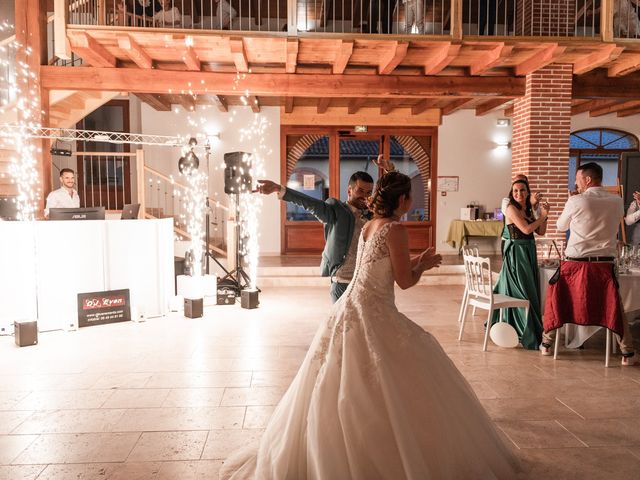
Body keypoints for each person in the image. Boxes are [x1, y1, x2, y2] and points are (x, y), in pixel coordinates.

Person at [220, 172, 519, 480]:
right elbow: (404, 281)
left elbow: (383, 264)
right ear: (402, 200)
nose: (412, 201)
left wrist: (416, 260)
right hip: (373, 310)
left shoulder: (370, 225)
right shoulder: (395, 229)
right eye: (410, 196)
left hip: (350, 305)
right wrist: (424, 266)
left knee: (341, 378)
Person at [541, 162, 636, 365]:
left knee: (557, 298)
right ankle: (627, 352)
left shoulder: (576, 200)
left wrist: (572, 201)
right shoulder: (617, 201)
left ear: (587, 179)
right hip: (604, 265)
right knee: (613, 304)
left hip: (575, 265)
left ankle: (547, 343)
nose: (576, 182)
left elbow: (560, 226)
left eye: (577, 179)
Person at [256, 168, 375, 303]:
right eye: (360, 191)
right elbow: (309, 203)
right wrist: (280, 189)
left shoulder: (374, 215)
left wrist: (390, 170)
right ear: (349, 190)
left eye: (368, 192)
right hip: (343, 281)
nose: (365, 196)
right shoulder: (336, 209)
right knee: (344, 323)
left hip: (366, 280)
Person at [492, 179, 550, 350]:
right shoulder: (511, 207)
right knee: (524, 290)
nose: (519, 194)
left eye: (522, 190)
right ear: (512, 192)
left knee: (530, 288)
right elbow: (525, 230)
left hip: (529, 251)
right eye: (516, 190)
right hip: (517, 252)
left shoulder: (528, 208)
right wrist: (543, 216)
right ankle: (525, 329)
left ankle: (529, 327)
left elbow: (541, 231)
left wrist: (542, 214)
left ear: (528, 191)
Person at [500, 173, 541, 254]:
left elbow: (540, 229)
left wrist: (534, 207)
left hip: (528, 244)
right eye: (516, 182)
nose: (519, 192)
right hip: (511, 242)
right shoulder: (507, 202)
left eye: (522, 182)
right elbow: (517, 219)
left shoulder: (532, 203)